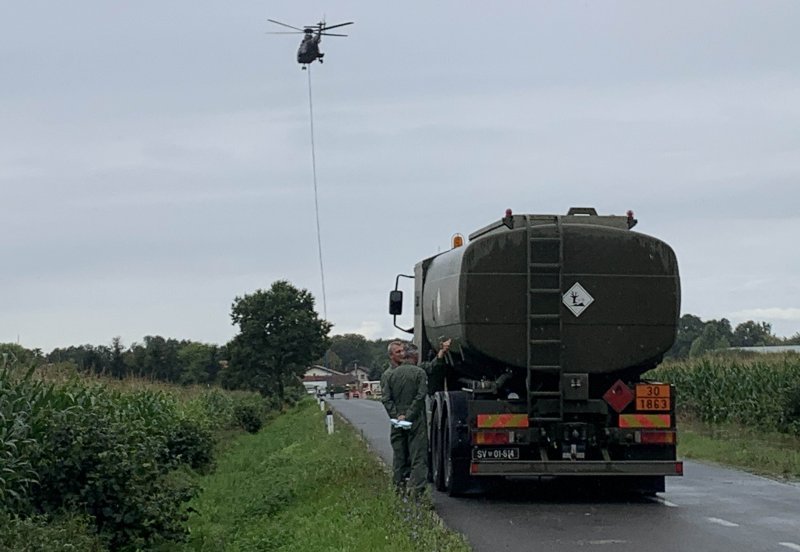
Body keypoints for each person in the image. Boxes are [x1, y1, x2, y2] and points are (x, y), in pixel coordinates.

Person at [381, 343, 428, 495]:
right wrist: (408, 416)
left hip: (397, 420)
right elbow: (421, 396)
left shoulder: (390, 375)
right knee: (418, 456)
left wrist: (397, 417)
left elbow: (386, 399)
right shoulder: (419, 373)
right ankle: (416, 492)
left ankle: (398, 490)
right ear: (415, 357)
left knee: (399, 456)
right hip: (415, 419)